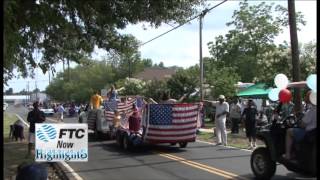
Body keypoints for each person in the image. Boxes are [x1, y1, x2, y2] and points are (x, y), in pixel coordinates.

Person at [282, 91, 317, 160]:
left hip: (310, 133)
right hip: (313, 132)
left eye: (307, 97)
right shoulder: (312, 109)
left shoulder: (313, 109)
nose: (306, 98)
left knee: (289, 131)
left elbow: (303, 125)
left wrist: (299, 122)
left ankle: (288, 154)